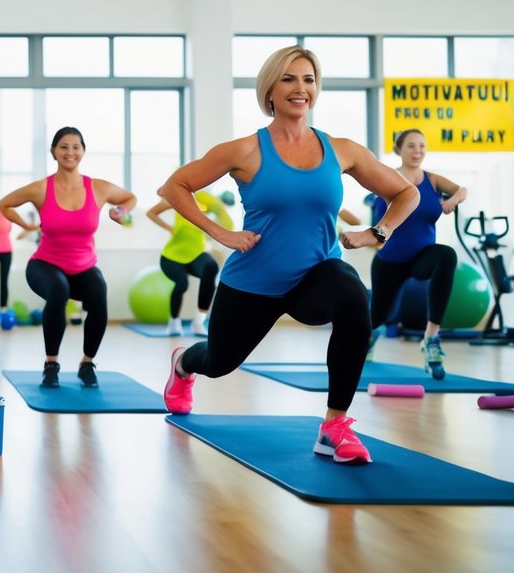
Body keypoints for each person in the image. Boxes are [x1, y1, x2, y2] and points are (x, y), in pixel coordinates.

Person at [159, 45, 418, 465]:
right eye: (289, 79)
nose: (301, 88)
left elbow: (405, 192)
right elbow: (174, 187)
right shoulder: (244, 150)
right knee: (219, 361)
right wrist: (220, 232)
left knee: (354, 296)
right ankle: (184, 364)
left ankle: (334, 426)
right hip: (253, 282)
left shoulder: (342, 150)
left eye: (309, 80)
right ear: (270, 91)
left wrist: (377, 232)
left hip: (315, 278)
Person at [0, 127, 136, 389]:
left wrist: (121, 213)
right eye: (63, 146)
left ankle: (87, 364)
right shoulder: (41, 188)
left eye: (76, 146)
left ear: (83, 151)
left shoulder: (98, 188)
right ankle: (51, 364)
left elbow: (130, 198)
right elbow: (3, 204)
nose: (70, 152)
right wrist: (27, 227)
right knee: (58, 290)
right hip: (44, 265)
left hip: (83, 267)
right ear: (53, 152)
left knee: (99, 292)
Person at [366, 128, 467, 376]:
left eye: (421, 146)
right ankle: (369, 338)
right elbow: (378, 221)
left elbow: (461, 190)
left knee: (447, 255)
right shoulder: (387, 178)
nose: (417, 151)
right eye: (411, 146)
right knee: (377, 318)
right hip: (390, 261)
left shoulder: (432, 180)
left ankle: (431, 339)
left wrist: (451, 201)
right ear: (399, 149)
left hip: (423, 257)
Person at [145, 191, 232, 336]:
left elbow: (227, 221)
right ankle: (174, 323)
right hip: (172, 256)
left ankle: (198, 322)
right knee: (182, 283)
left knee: (211, 267)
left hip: (196, 255)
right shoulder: (177, 198)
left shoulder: (206, 204)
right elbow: (151, 213)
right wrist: (169, 228)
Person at [0, 204, 34, 316]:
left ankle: (3, 307)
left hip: (6, 252)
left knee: (4, 281)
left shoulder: (8, 219)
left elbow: (9, 230)